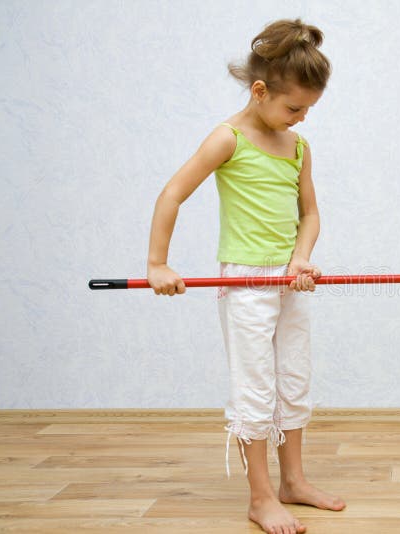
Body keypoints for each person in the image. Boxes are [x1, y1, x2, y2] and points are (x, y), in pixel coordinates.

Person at [145, 18, 344, 534]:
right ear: (260, 92)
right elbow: (171, 194)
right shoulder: (227, 138)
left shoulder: (298, 148)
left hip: (290, 281)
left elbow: (310, 215)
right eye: (294, 108)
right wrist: (158, 264)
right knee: (255, 387)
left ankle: (293, 481)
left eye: (308, 109)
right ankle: (260, 497)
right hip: (247, 283)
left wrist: (301, 258)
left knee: (294, 379)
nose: (301, 118)